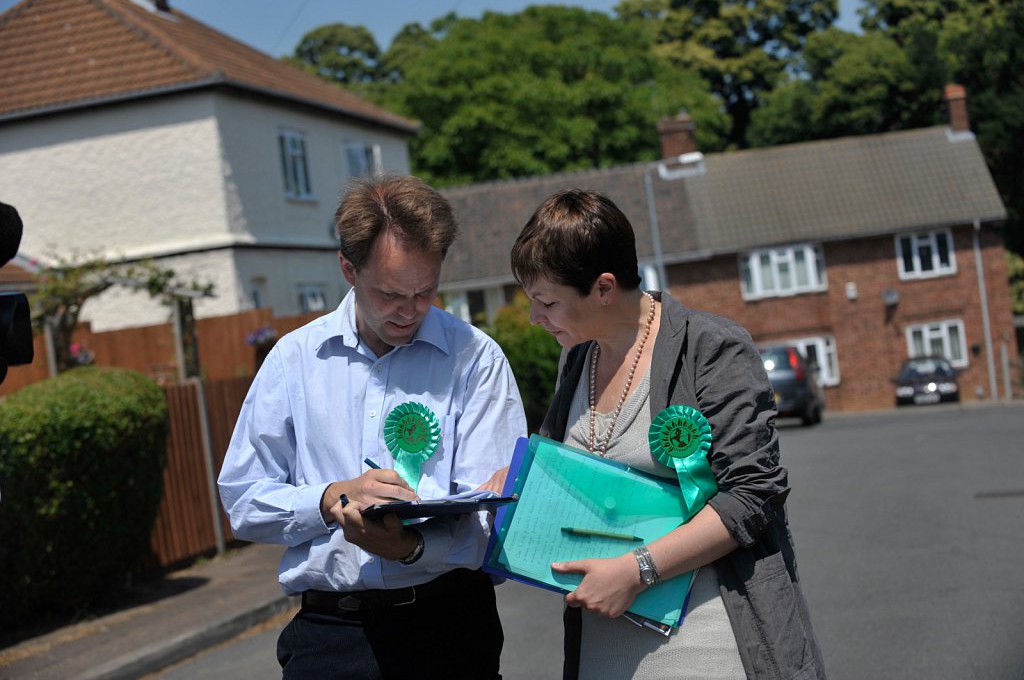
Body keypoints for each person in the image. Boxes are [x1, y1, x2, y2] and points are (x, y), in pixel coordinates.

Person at [218, 174, 528, 679]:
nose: (410, 311)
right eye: (390, 294)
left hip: (451, 631)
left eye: (425, 291)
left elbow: (498, 520)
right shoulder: (294, 360)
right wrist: (329, 499)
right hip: (332, 637)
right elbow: (243, 499)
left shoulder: (476, 359)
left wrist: (414, 548)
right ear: (348, 268)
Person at [509, 189, 825, 679]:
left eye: (546, 302)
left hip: (705, 645)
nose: (535, 318)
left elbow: (753, 495)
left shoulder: (712, 347)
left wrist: (637, 570)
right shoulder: (575, 357)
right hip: (600, 653)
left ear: (605, 287)